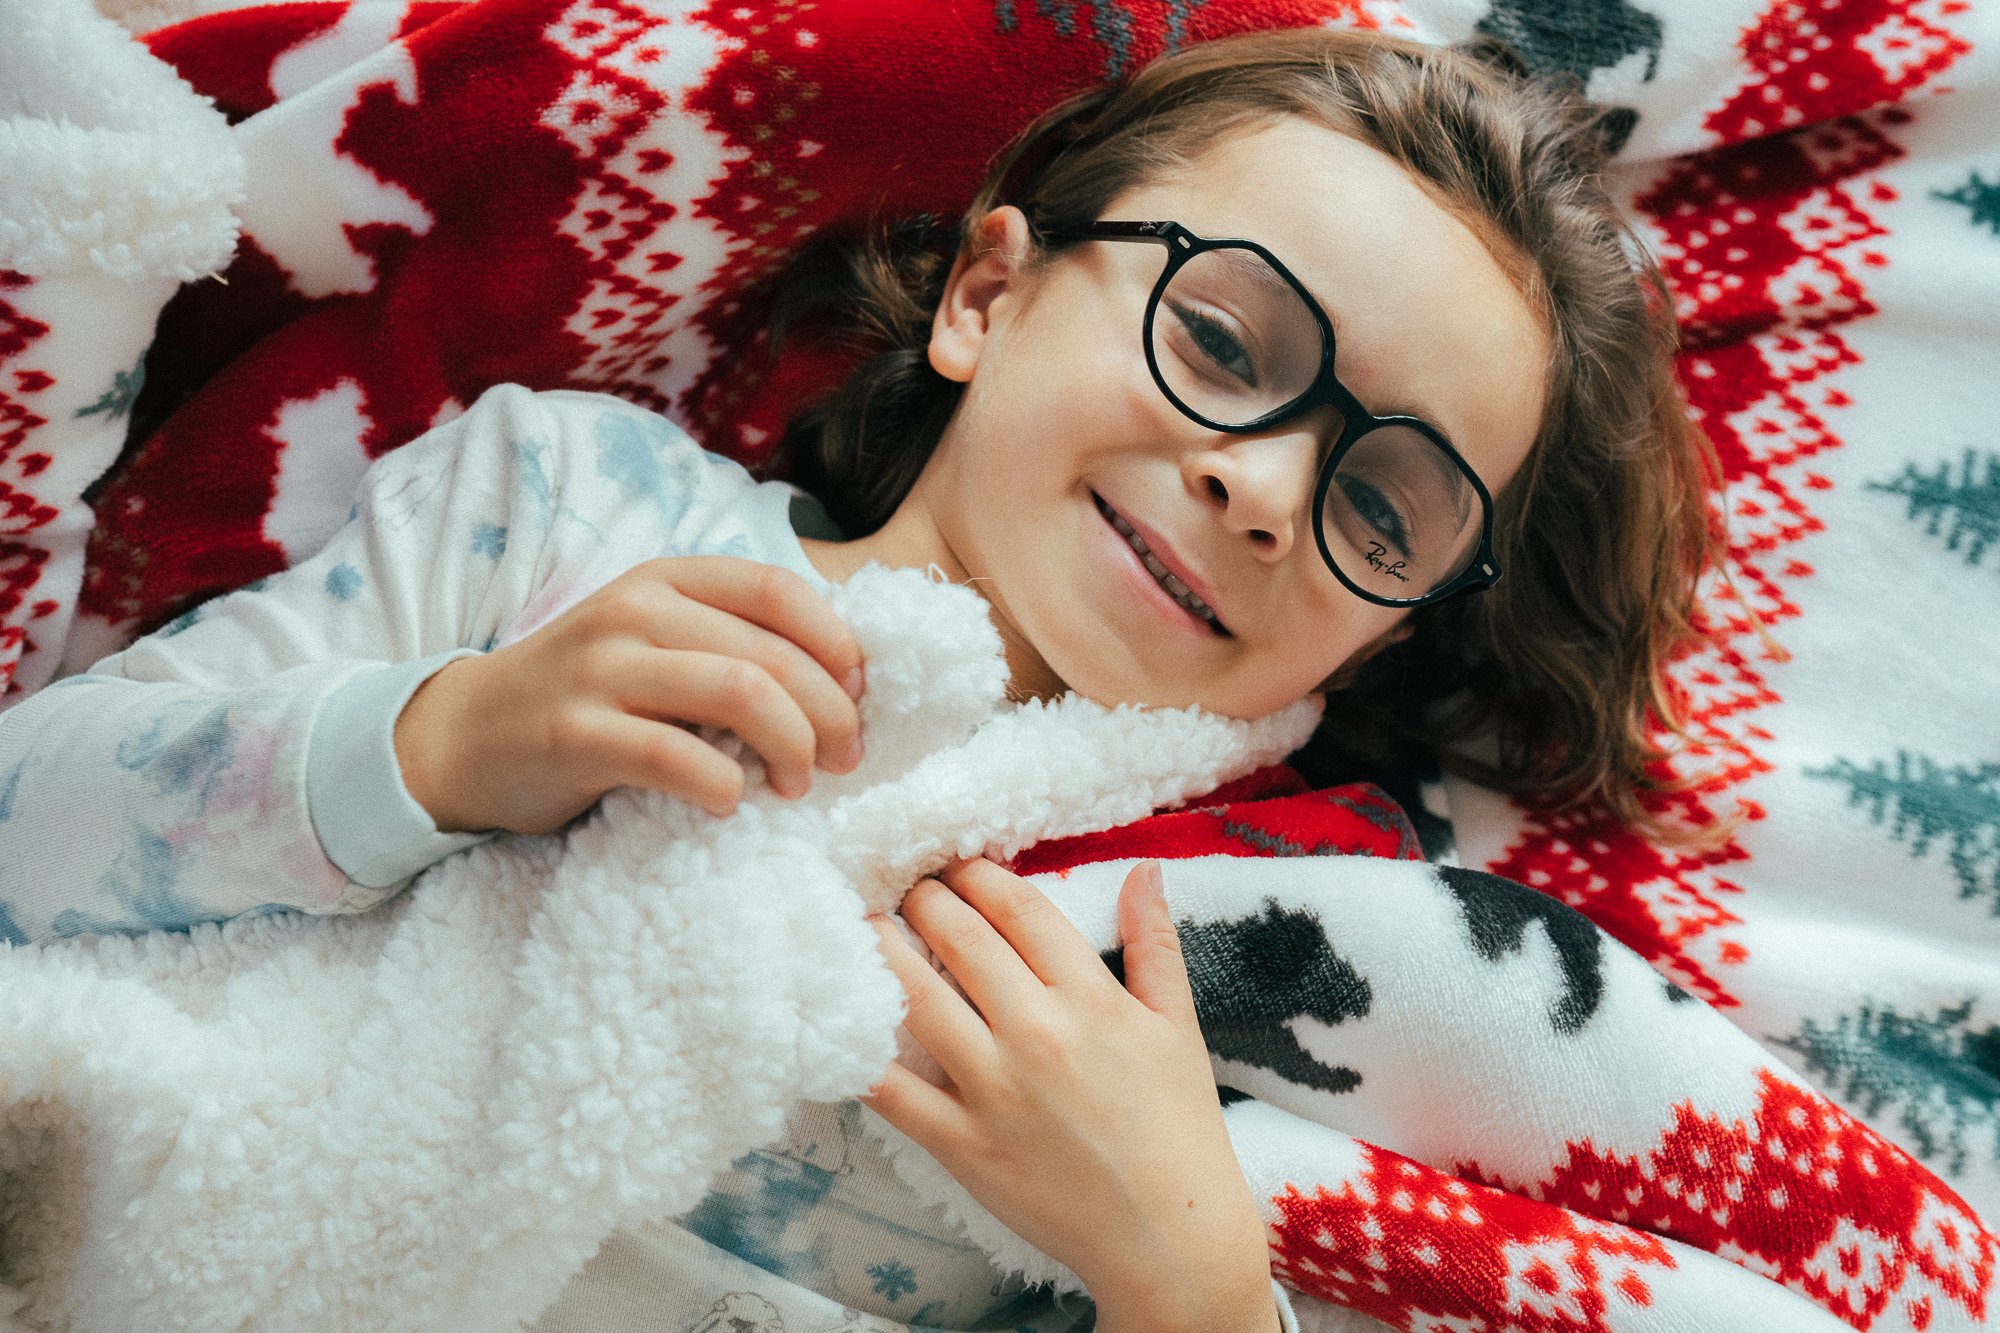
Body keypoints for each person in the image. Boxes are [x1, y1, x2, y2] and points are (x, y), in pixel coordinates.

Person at [0, 25, 1713, 1332]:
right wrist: (443, 741)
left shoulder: (1261, 938)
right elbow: (25, 832)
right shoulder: (570, 505)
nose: (1263, 489)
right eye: (1220, 342)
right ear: (989, 289)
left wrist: (1183, 1272)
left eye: (1381, 506)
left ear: (1393, 625)